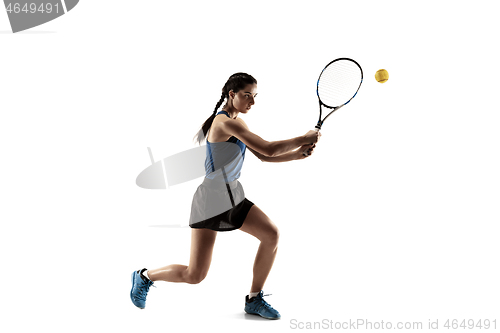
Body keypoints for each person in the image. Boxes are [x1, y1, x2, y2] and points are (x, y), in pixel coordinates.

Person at [130, 72, 320, 319]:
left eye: (255, 96)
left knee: (271, 234)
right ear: (232, 94)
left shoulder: (237, 122)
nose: (252, 101)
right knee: (194, 275)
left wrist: (297, 154)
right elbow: (268, 148)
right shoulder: (224, 123)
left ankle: (254, 299)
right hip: (210, 200)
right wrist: (303, 138)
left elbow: (263, 156)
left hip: (233, 195)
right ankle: (144, 276)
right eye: (247, 95)